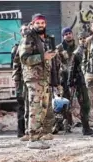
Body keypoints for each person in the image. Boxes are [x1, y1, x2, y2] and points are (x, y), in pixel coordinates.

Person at [19, 13, 61, 148]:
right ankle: (33, 139)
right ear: (33, 24)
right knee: (35, 108)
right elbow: (24, 59)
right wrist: (44, 57)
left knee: (42, 109)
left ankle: (38, 136)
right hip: (34, 78)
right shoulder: (29, 37)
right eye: (38, 23)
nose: (41, 25)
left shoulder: (42, 39)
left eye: (43, 23)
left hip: (43, 78)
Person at [68, 31, 93, 136]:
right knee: (85, 105)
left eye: (85, 38)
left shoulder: (91, 50)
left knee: (91, 104)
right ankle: (86, 127)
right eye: (81, 38)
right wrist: (70, 82)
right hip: (81, 83)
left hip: (90, 81)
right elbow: (72, 69)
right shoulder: (77, 53)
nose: (83, 40)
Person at [55, 27, 77, 132]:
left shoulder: (77, 47)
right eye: (66, 34)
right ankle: (64, 124)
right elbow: (56, 63)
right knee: (64, 102)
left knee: (78, 101)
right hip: (63, 77)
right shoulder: (59, 48)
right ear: (63, 36)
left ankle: (72, 123)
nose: (68, 35)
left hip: (76, 76)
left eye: (70, 33)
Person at [11, 23, 29, 138]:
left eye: (27, 29)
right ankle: (21, 131)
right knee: (21, 105)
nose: (26, 32)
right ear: (20, 32)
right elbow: (14, 66)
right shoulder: (16, 48)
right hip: (21, 81)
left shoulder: (32, 45)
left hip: (31, 79)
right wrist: (17, 81)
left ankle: (30, 130)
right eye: (24, 30)